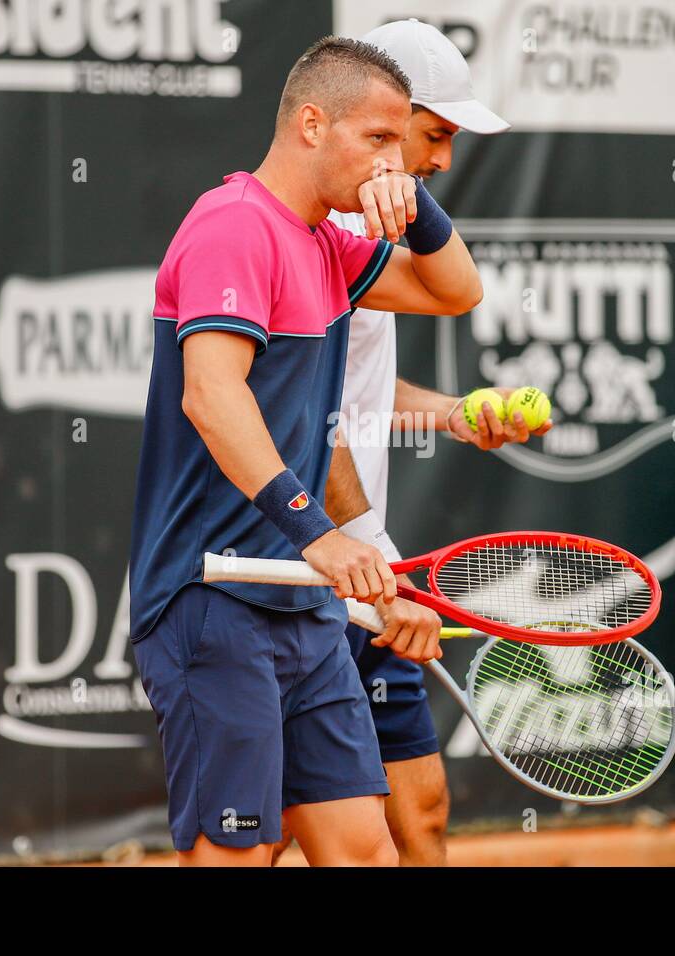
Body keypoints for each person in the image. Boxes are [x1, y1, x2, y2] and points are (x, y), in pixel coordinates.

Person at [128, 35, 483, 867]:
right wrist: (319, 535)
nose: (394, 163)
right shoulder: (232, 226)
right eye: (379, 141)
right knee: (240, 855)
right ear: (312, 125)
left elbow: (456, 289)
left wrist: (417, 205)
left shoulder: (327, 244)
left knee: (364, 850)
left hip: (304, 610)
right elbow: (211, 396)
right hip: (211, 596)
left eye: (404, 143)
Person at [276, 19, 550, 867]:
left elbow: (350, 398)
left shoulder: (364, 238)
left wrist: (449, 412)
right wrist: (375, 566)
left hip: (360, 567)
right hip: (317, 569)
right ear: (384, 125)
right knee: (300, 835)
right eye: (433, 136)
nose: (441, 162)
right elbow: (308, 428)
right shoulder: (315, 235)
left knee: (418, 812)